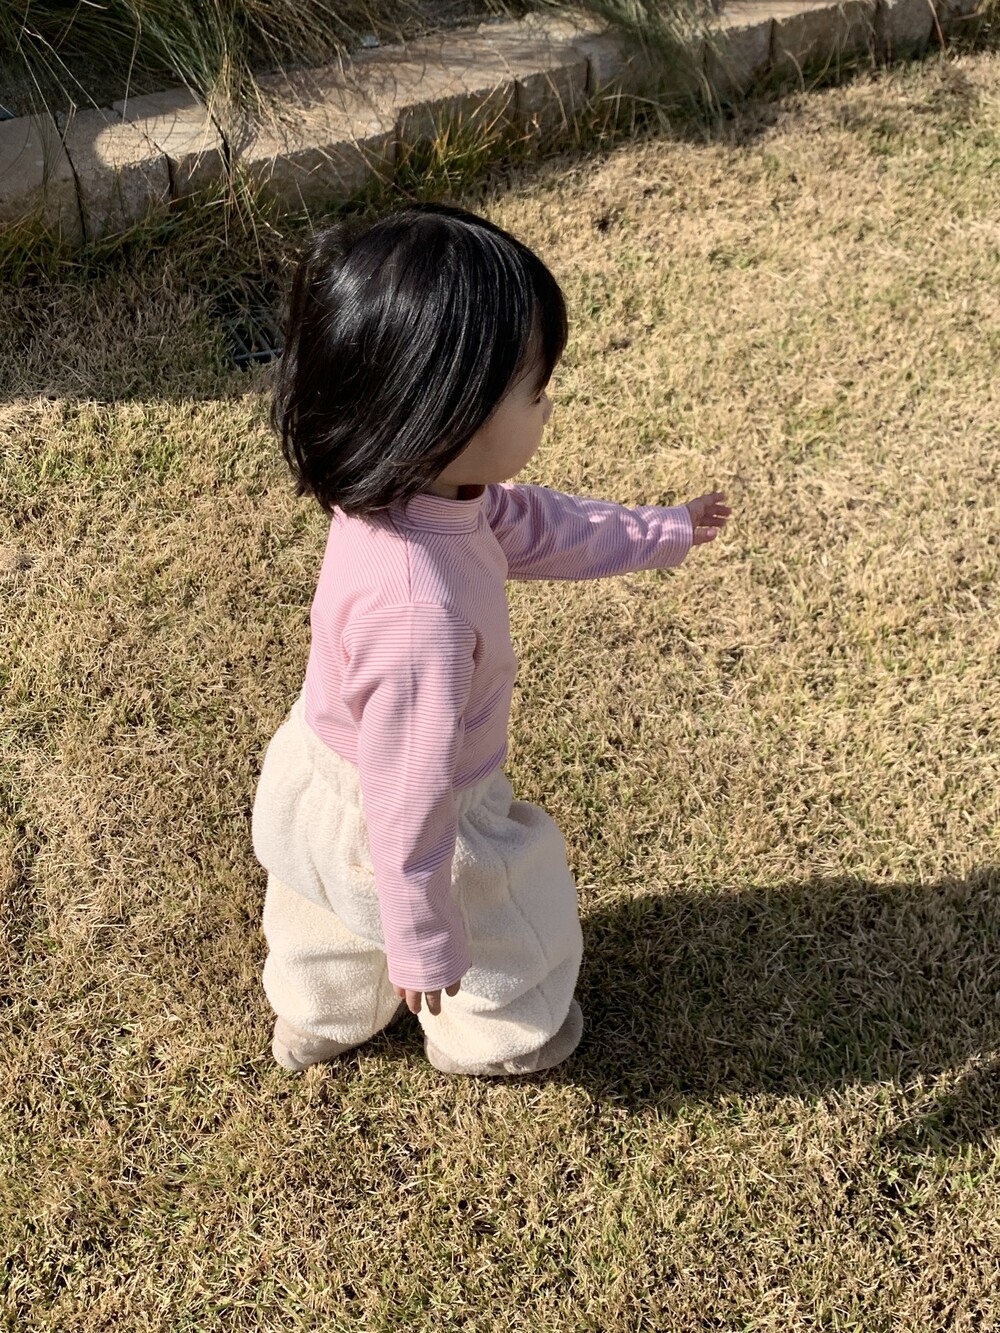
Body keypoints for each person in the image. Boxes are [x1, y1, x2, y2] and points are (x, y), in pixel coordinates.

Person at [251, 203, 730, 1077]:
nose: (548, 407)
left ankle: (318, 1016)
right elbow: (410, 798)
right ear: (446, 417)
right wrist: (422, 933)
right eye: (535, 392)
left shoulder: (404, 492)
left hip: (320, 772)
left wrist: (662, 530)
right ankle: (509, 1035)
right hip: (420, 809)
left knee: (321, 912)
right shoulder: (420, 612)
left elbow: (541, 525)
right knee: (506, 919)